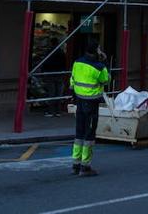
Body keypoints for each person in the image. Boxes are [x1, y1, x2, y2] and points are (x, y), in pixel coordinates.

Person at [69, 39, 110, 177]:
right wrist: (103, 63)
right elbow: (106, 80)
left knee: (79, 133)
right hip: (91, 103)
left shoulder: (77, 62)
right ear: (96, 51)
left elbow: (72, 79)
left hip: (79, 100)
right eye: (99, 49)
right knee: (89, 135)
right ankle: (85, 167)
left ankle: (75, 164)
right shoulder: (99, 67)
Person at [44, 45, 67, 117]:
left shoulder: (49, 52)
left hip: (51, 74)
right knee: (59, 93)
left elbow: (45, 63)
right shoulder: (61, 53)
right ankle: (58, 111)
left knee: (52, 93)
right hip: (59, 74)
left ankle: (51, 111)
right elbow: (64, 62)